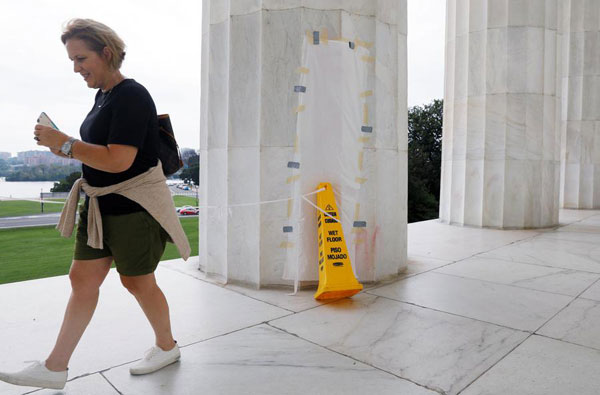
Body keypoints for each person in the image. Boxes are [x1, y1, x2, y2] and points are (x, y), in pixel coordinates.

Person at [0, 19, 190, 390]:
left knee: (138, 283)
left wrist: (67, 142)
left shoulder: (133, 95)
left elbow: (119, 160)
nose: (76, 68)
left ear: (106, 53)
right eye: (72, 60)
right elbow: (102, 155)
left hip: (134, 209)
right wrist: (65, 149)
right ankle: (55, 368)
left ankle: (167, 347)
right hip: (100, 207)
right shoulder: (103, 96)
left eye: (81, 58)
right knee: (81, 279)